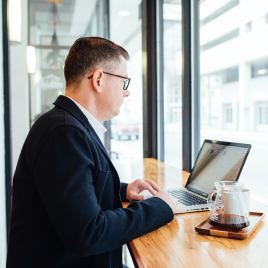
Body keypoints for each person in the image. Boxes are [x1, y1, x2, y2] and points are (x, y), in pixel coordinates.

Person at [6, 37, 179, 268]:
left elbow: (70, 191)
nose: (126, 93)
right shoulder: (64, 132)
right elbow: (88, 233)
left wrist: (123, 190)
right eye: (124, 82)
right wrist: (160, 207)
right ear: (98, 79)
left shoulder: (65, 124)